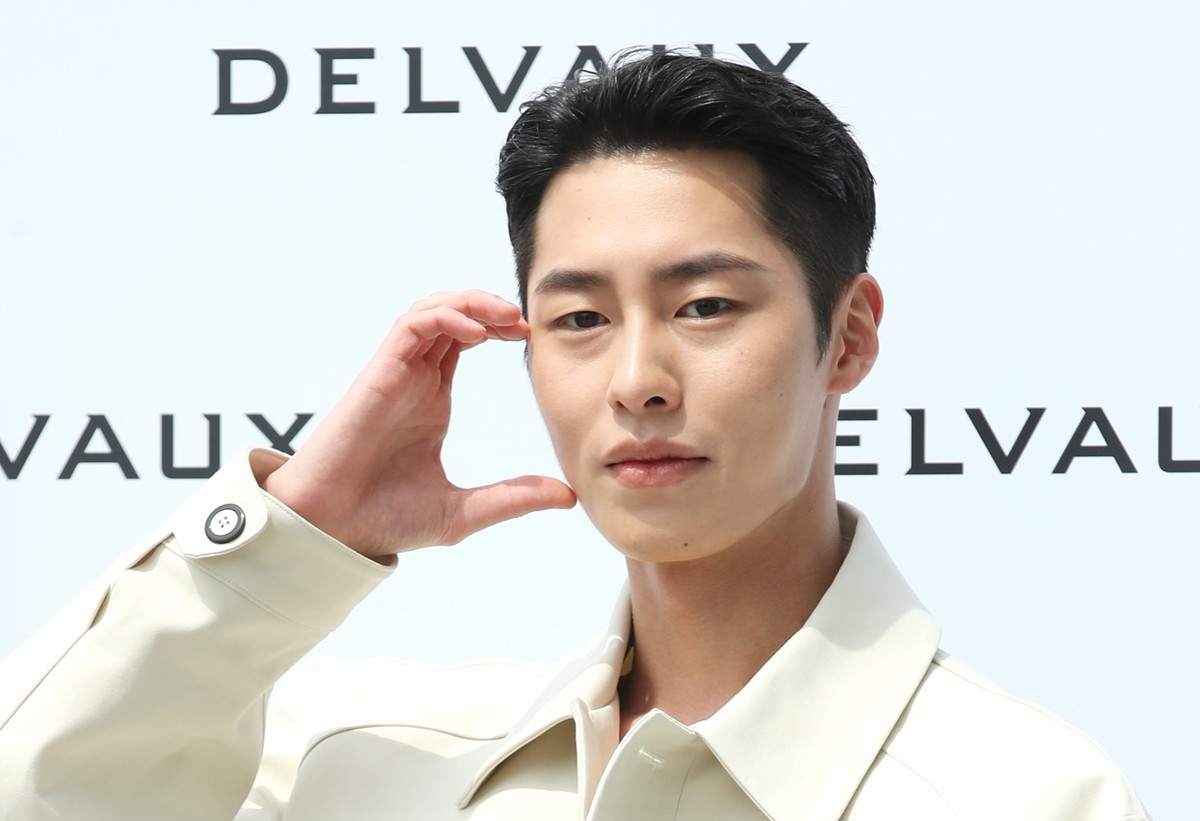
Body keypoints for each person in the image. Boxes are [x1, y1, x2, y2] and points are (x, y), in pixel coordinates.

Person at [0, 52, 1148, 820]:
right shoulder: (352, 750)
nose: (638, 380)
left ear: (847, 338)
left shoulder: (1030, 796)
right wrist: (292, 535)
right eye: (581, 319)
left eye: (706, 305)